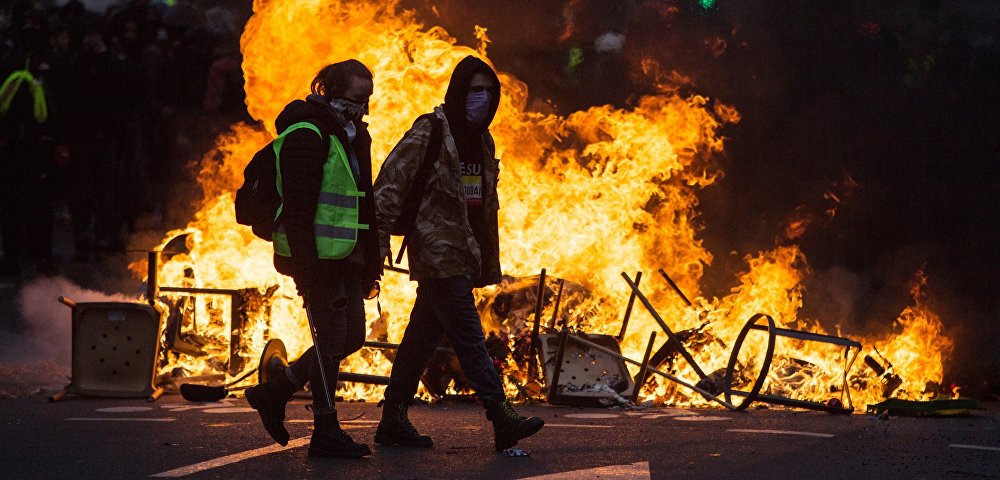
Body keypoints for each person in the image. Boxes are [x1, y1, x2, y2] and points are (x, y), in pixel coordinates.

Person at [373, 56, 544, 452]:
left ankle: (392, 419)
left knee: (421, 339)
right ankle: (501, 415)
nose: (481, 99)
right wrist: (379, 244)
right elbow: (389, 189)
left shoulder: (482, 141)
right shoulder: (428, 132)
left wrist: (488, 259)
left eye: (488, 92)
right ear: (457, 92)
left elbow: (482, 204)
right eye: (473, 91)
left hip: (464, 256)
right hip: (436, 252)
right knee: (468, 335)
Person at [244, 60, 382, 459]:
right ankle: (325, 428)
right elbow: (300, 210)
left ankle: (276, 389)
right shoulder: (306, 134)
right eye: (358, 99)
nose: (364, 108)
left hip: (348, 257)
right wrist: (306, 269)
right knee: (331, 339)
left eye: (368, 99)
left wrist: (371, 263)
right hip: (318, 260)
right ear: (329, 92)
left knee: (352, 336)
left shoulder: (356, 135)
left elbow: (363, 202)